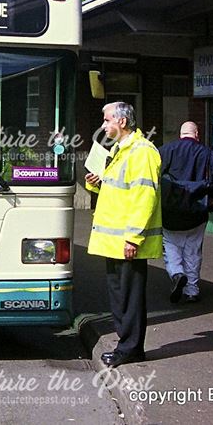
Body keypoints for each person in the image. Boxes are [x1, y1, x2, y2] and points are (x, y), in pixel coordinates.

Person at [85, 102, 162, 368]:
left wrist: (133, 237)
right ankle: (128, 346)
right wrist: (97, 183)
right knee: (120, 297)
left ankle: (129, 348)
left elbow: (144, 197)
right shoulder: (120, 150)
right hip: (115, 241)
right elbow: (118, 193)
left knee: (129, 298)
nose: (104, 126)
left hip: (126, 241)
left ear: (122, 122)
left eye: (107, 120)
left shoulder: (141, 152)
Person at [159, 121, 213, 303]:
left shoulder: (167, 150)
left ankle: (176, 273)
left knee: (171, 247)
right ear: (196, 134)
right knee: (193, 251)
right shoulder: (206, 153)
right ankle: (192, 290)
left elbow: (152, 172)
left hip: (171, 211)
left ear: (180, 134)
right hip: (197, 212)